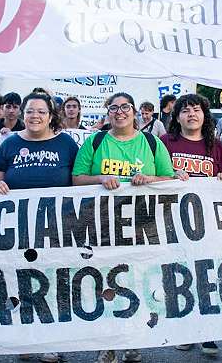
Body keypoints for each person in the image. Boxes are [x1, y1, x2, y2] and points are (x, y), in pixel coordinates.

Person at [72, 92, 174, 363]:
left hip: (142, 226)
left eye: (125, 107)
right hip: (101, 226)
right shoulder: (95, 142)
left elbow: (169, 178)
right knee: (105, 283)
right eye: (114, 108)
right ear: (108, 113)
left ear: (134, 112)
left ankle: (133, 339)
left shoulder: (152, 143)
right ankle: (108, 344)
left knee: (137, 281)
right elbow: (77, 178)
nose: (119, 112)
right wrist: (100, 178)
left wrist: (150, 178)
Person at [0, 94, 77, 363]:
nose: (34, 116)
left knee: (54, 283)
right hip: (18, 227)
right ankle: (23, 338)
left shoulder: (66, 144)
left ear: (51, 115)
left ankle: (52, 340)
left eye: (41, 111)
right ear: (23, 115)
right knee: (19, 282)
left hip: (56, 226)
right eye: (30, 111)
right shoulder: (10, 143)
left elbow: (78, 179)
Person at [161, 94, 222, 357]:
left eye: (197, 110)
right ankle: (185, 331)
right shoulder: (165, 143)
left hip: (209, 225)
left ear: (205, 116)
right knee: (179, 277)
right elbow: (155, 175)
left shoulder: (218, 147)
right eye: (185, 110)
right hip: (173, 223)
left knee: (208, 277)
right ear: (176, 117)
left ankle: (209, 333)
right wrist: (169, 174)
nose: (192, 114)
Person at [0, 92, 24, 160]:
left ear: (20, 109)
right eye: (8, 107)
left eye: (15, 107)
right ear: (3, 108)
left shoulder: (24, 128)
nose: (11, 111)